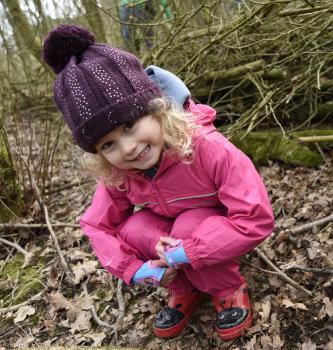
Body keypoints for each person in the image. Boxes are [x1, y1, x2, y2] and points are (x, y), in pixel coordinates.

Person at [42, 24, 274, 340]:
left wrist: (187, 251)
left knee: (187, 225)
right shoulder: (120, 173)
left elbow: (254, 218)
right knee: (134, 228)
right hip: (171, 247)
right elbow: (97, 226)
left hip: (215, 235)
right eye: (107, 145)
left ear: (157, 110)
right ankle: (183, 288)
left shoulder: (206, 147)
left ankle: (227, 288)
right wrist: (137, 270)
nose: (128, 148)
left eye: (129, 126)